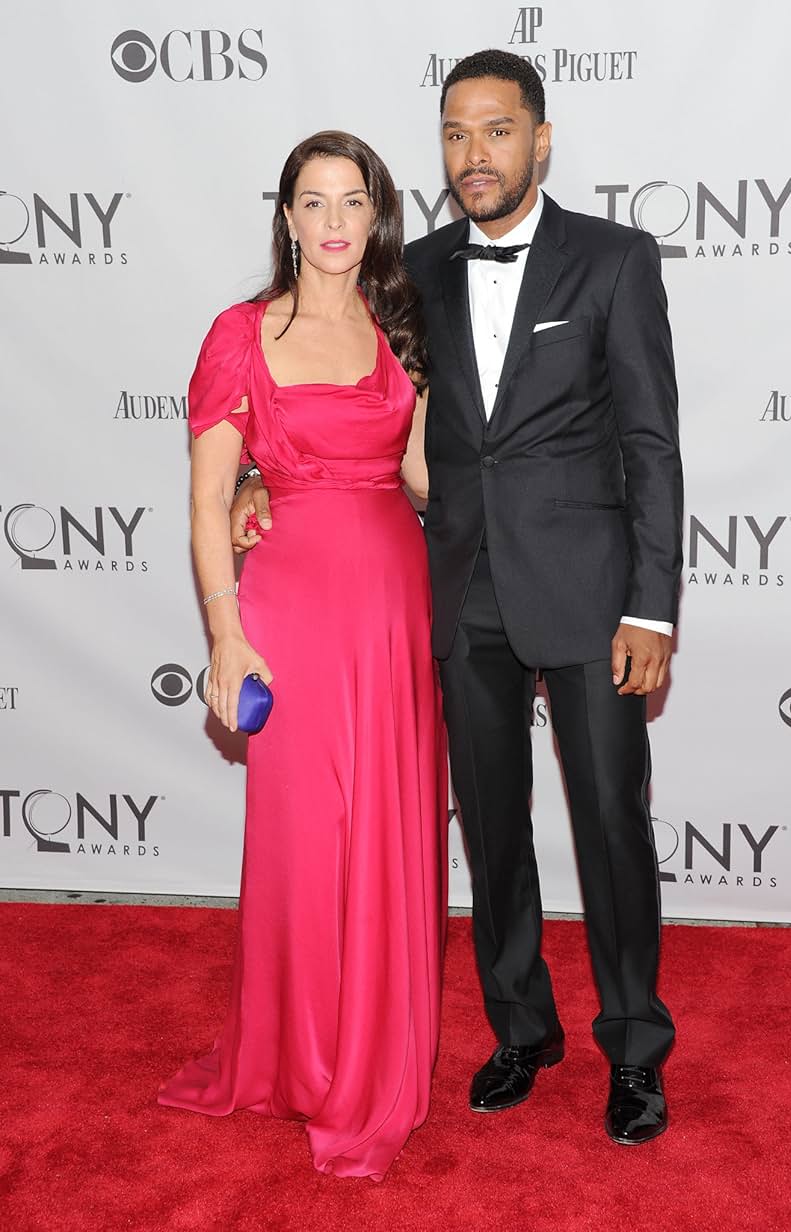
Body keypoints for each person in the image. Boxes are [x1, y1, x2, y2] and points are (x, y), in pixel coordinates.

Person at [234, 51, 684, 1146]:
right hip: (457, 590)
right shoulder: (412, 272)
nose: (471, 154)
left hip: (588, 595)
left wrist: (652, 606)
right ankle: (521, 1027)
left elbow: (649, 440)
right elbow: (350, 399)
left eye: (494, 131)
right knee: (490, 828)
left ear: (540, 138)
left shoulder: (615, 260)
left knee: (612, 825)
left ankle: (633, 1045)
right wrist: (258, 469)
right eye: (452, 133)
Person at [158, 131, 448, 1182]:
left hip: (392, 605)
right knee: (302, 834)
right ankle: (298, 1056)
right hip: (285, 609)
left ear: (376, 218)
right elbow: (207, 497)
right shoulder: (240, 332)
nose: (332, 220)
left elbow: (417, 480)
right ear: (284, 216)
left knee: (387, 827)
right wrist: (226, 630)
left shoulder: (398, 328)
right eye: (312, 200)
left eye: (352, 201)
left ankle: (371, 1057)